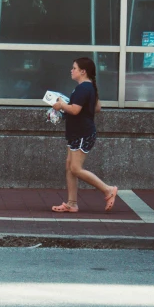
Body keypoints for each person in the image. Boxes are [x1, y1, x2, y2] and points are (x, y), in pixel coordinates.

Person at [51, 57, 117, 213]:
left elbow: (74, 110)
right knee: (69, 167)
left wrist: (61, 105)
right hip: (77, 132)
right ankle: (72, 203)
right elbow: (97, 107)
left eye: (74, 68)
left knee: (75, 168)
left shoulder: (83, 88)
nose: (71, 70)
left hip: (82, 133)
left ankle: (108, 190)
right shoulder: (88, 87)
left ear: (83, 71)